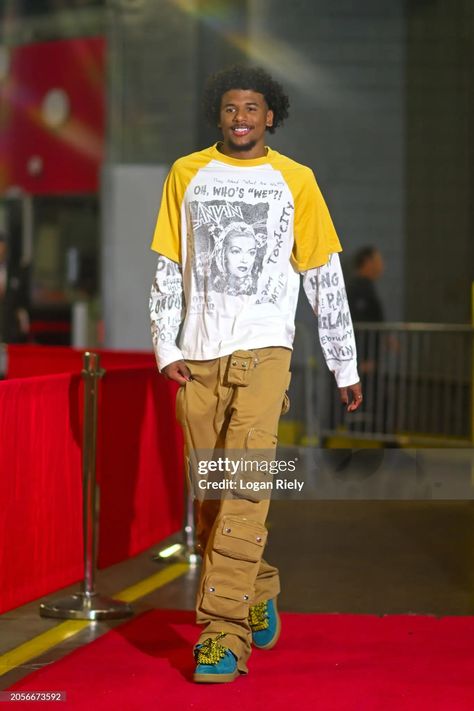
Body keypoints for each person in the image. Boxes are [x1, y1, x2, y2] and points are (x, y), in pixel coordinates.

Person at [149, 65, 362, 684]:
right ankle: (257, 584)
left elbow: (324, 276)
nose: (241, 116)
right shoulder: (186, 174)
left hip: (266, 355)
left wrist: (342, 361)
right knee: (214, 498)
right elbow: (168, 266)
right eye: (230, 108)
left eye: (253, 108)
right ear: (219, 116)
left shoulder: (296, 181)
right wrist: (166, 347)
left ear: (272, 116)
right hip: (198, 358)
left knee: (244, 489)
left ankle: (222, 633)